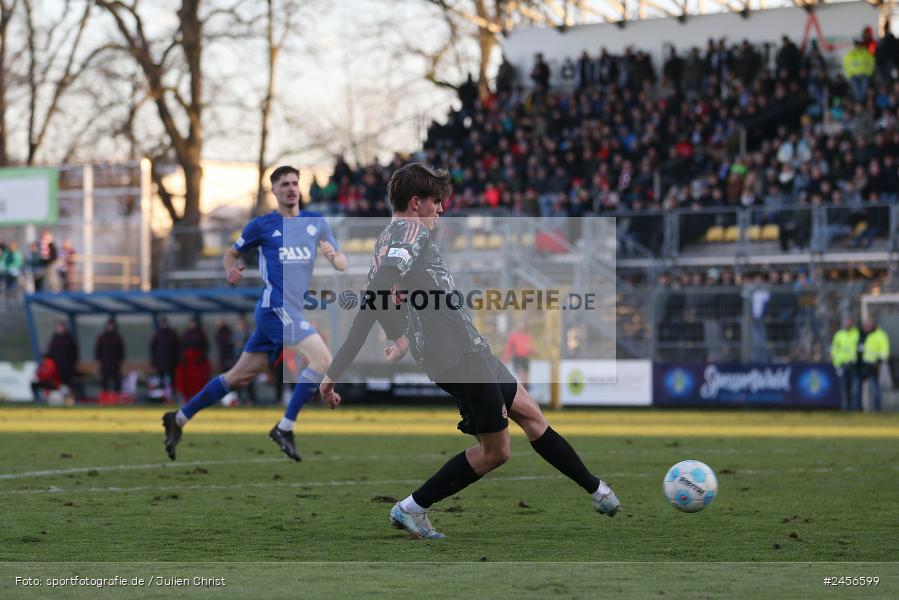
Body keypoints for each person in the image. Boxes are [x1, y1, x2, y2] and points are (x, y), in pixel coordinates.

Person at [319, 163, 620, 540]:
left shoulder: (386, 239)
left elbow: (382, 297)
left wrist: (398, 336)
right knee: (496, 451)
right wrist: (336, 369)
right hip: (457, 355)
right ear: (416, 203)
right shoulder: (410, 231)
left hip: (469, 347)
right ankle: (412, 507)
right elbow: (375, 295)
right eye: (436, 201)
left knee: (530, 413)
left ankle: (598, 490)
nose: (441, 209)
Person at [162, 165, 347, 461]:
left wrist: (333, 256)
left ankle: (179, 418)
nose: (290, 188)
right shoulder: (261, 225)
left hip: (288, 311)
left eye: (294, 183)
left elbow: (342, 264)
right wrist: (229, 269)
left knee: (237, 377)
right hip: (276, 308)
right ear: (273, 190)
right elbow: (230, 253)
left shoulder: (317, 222)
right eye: (284, 184)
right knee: (323, 359)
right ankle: (285, 427)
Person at [855, 316, 890, 412]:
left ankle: (877, 409)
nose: (867, 326)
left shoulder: (880, 335)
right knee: (856, 390)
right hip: (859, 366)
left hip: (872, 366)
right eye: (865, 325)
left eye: (869, 325)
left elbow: (884, 350)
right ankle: (856, 409)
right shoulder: (861, 334)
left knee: (874, 389)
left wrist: (878, 361)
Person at [830, 316, 859, 411]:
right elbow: (834, 350)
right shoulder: (839, 335)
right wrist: (837, 365)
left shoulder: (857, 333)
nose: (848, 324)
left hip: (854, 364)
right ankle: (845, 408)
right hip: (843, 364)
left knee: (854, 388)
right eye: (846, 322)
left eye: (849, 322)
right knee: (844, 388)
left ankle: (855, 408)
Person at [150, 317, 180, 402]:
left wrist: (177, 360)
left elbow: (177, 348)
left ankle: (172, 397)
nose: (164, 324)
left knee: (172, 380)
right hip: (160, 362)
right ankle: (161, 398)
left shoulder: (172, 334)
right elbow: (153, 349)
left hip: (171, 362)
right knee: (161, 380)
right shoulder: (157, 334)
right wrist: (154, 361)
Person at [47, 320, 79, 397]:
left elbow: (74, 351)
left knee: (68, 383)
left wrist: (74, 362)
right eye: (59, 327)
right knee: (58, 383)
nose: (61, 328)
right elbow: (50, 352)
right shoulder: (54, 339)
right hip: (57, 366)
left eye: (62, 327)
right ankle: (59, 398)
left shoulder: (69, 338)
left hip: (68, 366)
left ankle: (70, 398)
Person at [95, 318, 125, 392]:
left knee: (117, 382)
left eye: (112, 325)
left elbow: (121, 350)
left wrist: (121, 361)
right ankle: (105, 399)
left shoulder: (117, 337)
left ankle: (116, 398)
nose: (110, 327)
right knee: (104, 382)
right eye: (109, 325)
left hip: (115, 364)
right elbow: (98, 350)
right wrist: (99, 361)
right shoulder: (102, 337)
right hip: (105, 363)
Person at [501, 318, 533, 387]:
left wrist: (532, 351)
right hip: (517, 358)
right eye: (519, 325)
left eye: (522, 325)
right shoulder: (513, 336)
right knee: (521, 375)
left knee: (526, 379)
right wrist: (505, 358)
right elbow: (508, 347)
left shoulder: (527, 335)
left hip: (525, 358)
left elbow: (529, 346)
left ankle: (526, 392)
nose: (521, 327)